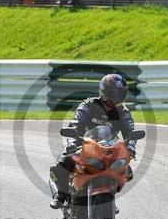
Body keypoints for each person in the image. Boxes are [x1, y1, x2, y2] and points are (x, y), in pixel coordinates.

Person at [49, 73, 138, 209]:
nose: (117, 98)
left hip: (109, 148)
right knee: (62, 164)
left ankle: (109, 196)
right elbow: (75, 123)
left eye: (121, 94)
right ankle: (61, 195)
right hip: (83, 145)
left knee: (127, 171)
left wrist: (130, 147)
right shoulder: (89, 105)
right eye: (115, 94)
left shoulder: (123, 112)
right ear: (105, 92)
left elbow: (130, 132)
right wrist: (73, 142)